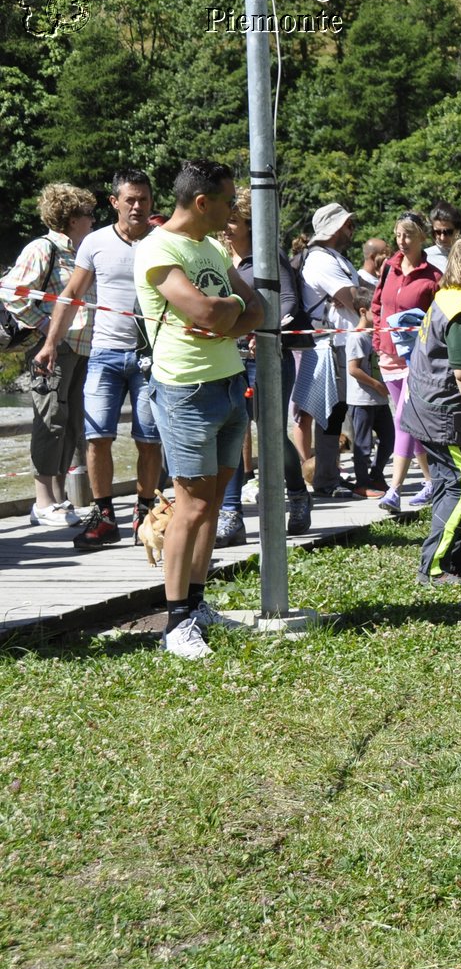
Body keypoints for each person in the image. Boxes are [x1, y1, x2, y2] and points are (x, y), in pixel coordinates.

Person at [135, 158, 265, 658]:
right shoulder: (158, 248)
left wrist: (228, 316)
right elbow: (212, 310)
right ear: (202, 202)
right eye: (229, 202)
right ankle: (175, 623)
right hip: (186, 390)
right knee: (188, 506)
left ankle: (197, 602)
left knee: (211, 503)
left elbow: (256, 307)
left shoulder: (211, 245)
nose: (234, 213)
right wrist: (230, 312)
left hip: (230, 384)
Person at [32, 171, 164, 549]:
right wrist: (50, 344)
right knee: (96, 438)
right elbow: (72, 294)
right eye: (130, 200)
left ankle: (145, 512)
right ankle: (105, 516)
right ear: (114, 202)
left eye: (144, 199)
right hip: (104, 353)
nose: (137, 206)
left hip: (149, 357)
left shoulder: (163, 242)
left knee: (149, 440)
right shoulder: (96, 241)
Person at [400, 235, 461, 586]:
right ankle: (434, 567)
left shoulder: (452, 297)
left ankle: (456, 560)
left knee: (450, 484)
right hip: (444, 414)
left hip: (428, 408)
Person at [215, 188, 312, 546]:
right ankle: (231, 515)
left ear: (248, 224)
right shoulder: (216, 255)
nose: (225, 227)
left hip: (268, 355)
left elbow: (288, 300)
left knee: (271, 432)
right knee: (230, 431)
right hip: (227, 355)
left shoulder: (269, 256)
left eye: (232, 220)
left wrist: (266, 329)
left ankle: (298, 494)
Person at [4, 183, 97, 529]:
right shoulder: (43, 248)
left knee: (70, 424)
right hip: (52, 351)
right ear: (72, 218)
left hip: (79, 349)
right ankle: (42, 501)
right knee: (50, 419)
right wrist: (48, 329)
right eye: (88, 215)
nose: (92, 221)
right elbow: (13, 295)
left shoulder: (79, 254)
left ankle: (59, 500)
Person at [372, 211, 442, 512]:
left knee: (403, 419)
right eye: (399, 234)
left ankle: (394, 490)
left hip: (417, 360)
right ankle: (430, 481)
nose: (402, 241)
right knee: (410, 423)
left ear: (422, 237)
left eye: (409, 235)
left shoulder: (433, 276)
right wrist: (377, 340)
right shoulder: (389, 268)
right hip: (388, 357)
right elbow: (378, 306)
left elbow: (440, 318)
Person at [299, 202, 364, 497]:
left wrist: (362, 297)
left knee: (341, 414)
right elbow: (354, 297)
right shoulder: (321, 261)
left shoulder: (335, 258)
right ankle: (326, 481)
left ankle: (331, 476)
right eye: (349, 224)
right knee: (331, 415)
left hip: (340, 344)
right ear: (336, 228)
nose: (352, 229)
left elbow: (360, 295)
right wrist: (361, 298)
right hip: (329, 346)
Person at [345, 287, 393, 496]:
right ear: (363, 311)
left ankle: (377, 476)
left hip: (379, 400)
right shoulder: (357, 337)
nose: (381, 316)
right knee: (363, 445)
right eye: (377, 311)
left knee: (389, 439)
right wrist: (377, 385)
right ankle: (361, 484)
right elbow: (353, 369)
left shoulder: (376, 335)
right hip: (362, 399)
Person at [425, 202, 461, 270]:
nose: (442, 238)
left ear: (457, 230)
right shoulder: (424, 257)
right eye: (438, 232)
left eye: (448, 232)